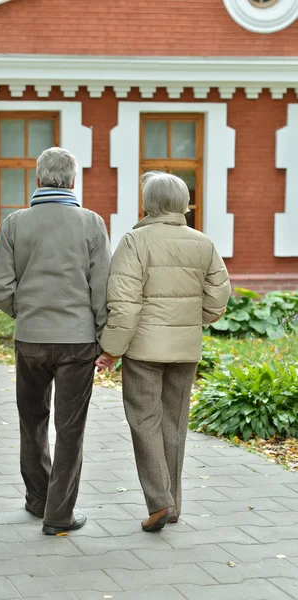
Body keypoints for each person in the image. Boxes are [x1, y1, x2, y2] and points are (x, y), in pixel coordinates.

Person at [0, 147, 112, 535]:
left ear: (38, 179)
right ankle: (59, 515)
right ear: (73, 181)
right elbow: (102, 290)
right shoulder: (91, 223)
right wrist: (106, 339)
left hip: (31, 340)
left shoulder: (15, 223)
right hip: (77, 342)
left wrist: (22, 311)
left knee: (32, 420)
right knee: (70, 428)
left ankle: (37, 499)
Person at [96, 171, 230, 532]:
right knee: (174, 423)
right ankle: (173, 504)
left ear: (148, 203)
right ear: (183, 202)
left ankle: (160, 502)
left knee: (144, 420)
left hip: (143, 349)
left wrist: (111, 350)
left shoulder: (134, 241)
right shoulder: (203, 243)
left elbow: (123, 304)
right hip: (185, 350)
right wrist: (193, 317)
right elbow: (220, 294)